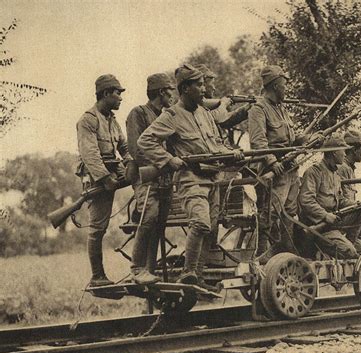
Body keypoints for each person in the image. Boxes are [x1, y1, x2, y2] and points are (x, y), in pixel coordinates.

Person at [137, 64, 243, 286]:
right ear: (185, 88)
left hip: (212, 179)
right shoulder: (172, 116)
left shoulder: (204, 113)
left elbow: (215, 146)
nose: (204, 89)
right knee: (201, 224)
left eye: (204, 83)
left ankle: (199, 277)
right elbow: (145, 141)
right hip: (191, 180)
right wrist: (168, 159)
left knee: (210, 229)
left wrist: (232, 153)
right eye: (199, 84)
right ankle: (189, 273)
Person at [76, 74, 132, 287]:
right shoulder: (88, 120)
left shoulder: (112, 120)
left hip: (112, 171)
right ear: (106, 93)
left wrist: (130, 163)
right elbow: (90, 155)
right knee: (98, 227)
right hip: (96, 177)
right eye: (118, 93)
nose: (120, 98)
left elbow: (124, 147)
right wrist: (105, 178)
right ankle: (97, 277)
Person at [247, 65, 307, 263]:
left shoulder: (282, 109)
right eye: (283, 85)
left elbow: (290, 138)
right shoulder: (258, 109)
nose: (286, 90)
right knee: (270, 214)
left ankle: (284, 254)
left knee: (289, 214)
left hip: (291, 170)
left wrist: (305, 139)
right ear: (273, 86)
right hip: (273, 172)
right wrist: (272, 162)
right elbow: (258, 142)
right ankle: (261, 257)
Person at [125, 73, 175, 285]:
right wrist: (163, 162)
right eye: (170, 91)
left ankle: (150, 269)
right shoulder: (138, 113)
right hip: (146, 177)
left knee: (160, 223)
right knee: (149, 216)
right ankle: (137, 268)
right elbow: (137, 150)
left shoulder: (167, 115)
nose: (173, 95)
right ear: (162, 92)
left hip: (164, 177)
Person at [298, 134, 361, 259]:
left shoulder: (335, 175)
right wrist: (325, 215)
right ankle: (333, 251)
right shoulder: (314, 172)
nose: (345, 154)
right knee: (350, 252)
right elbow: (306, 200)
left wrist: (357, 205)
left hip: (331, 224)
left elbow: (340, 200)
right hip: (317, 227)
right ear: (334, 152)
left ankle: (346, 244)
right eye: (343, 150)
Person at [337, 129, 361, 241]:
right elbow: (339, 199)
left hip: (348, 215)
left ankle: (357, 241)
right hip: (339, 218)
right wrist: (359, 205)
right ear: (354, 150)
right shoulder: (342, 168)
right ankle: (352, 243)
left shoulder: (349, 169)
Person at [195, 63, 249, 144]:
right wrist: (223, 104)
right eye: (212, 83)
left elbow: (226, 120)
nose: (214, 88)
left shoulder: (206, 106)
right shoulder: (196, 106)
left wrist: (246, 109)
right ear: (203, 84)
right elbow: (218, 118)